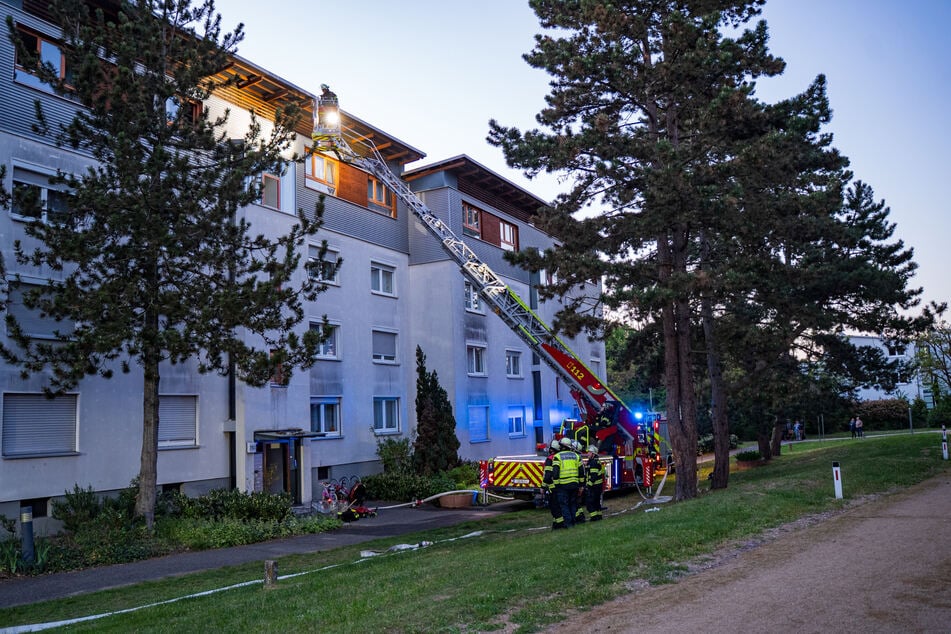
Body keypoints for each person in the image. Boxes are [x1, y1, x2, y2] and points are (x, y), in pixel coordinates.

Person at [543, 439, 583, 528]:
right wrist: (581, 486)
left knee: (564, 505)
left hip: (563, 486)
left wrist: (557, 486)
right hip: (574, 485)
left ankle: (568, 524)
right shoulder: (576, 456)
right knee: (572, 504)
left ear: (562, 446)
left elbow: (555, 474)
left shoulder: (557, 456)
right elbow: (581, 472)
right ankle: (573, 523)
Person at [543, 439, 564, 529]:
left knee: (554, 508)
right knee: (560, 506)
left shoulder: (550, 459)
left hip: (552, 488)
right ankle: (556, 525)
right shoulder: (560, 457)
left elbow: (547, 476)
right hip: (561, 486)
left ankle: (559, 525)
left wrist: (543, 487)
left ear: (551, 449)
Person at [584, 445, 605, 521]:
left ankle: (594, 517)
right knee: (596, 503)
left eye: (589, 452)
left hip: (594, 486)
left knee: (590, 503)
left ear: (593, 454)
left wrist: (588, 485)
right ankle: (599, 516)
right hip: (597, 486)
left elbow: (593, 476)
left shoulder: (593, 462)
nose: (588, 454)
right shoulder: (595, 461)